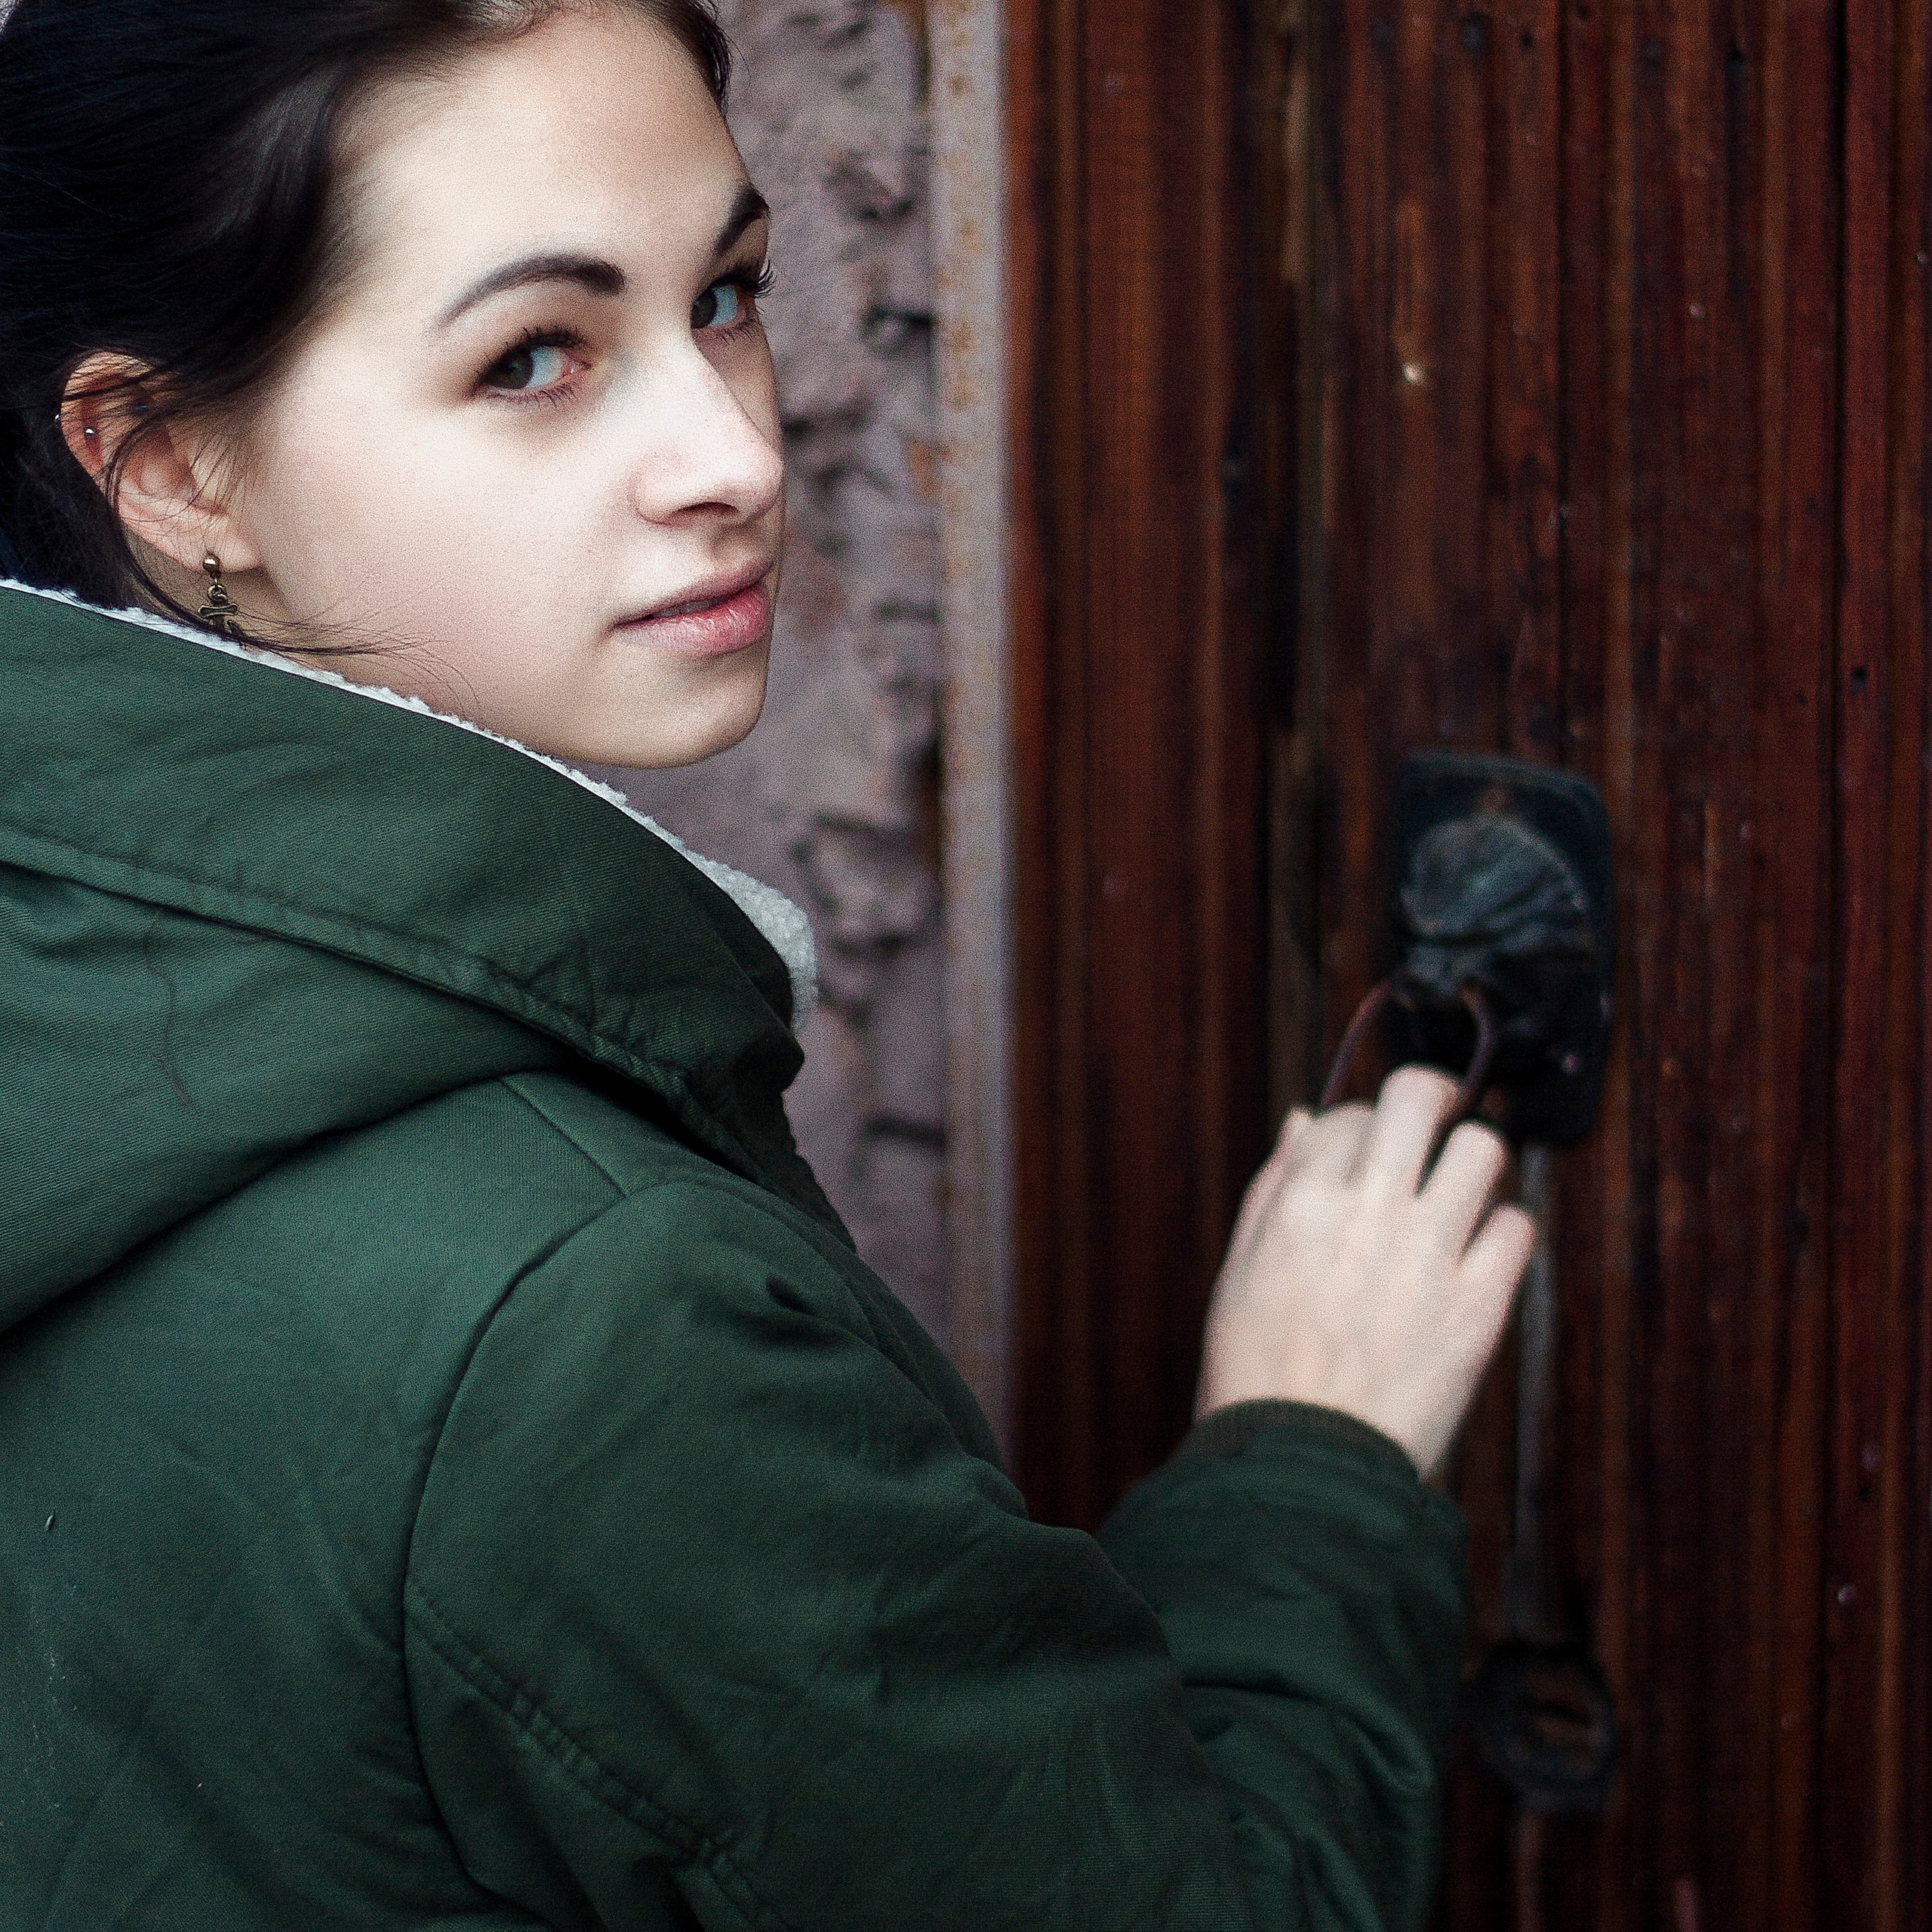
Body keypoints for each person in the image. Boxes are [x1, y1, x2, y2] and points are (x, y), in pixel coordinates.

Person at [0, 2, 1535, 1925]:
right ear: (170, 468)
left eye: (725, 295)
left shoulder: (66, 968)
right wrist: (1312, 1459)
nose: (730, 452)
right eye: (534, 357)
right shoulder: (583, 1325)